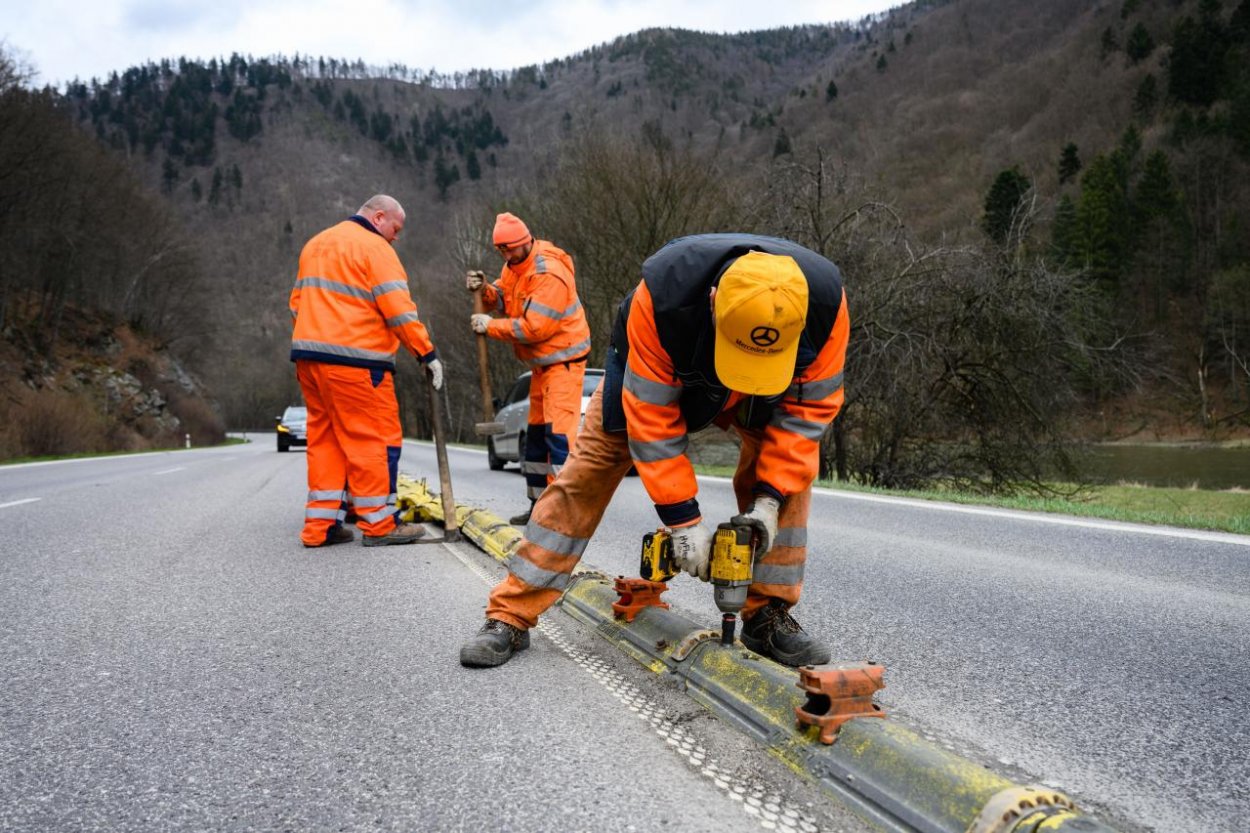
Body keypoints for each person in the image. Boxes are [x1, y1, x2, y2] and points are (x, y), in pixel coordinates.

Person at [460, 233, 849, 668]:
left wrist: (769, 502)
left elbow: (805, 416)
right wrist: (684, 523)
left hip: (765, 390)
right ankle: (510, 613)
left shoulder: (825, 309)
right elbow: (652, 425)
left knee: (790, 477)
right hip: (657, 377)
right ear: (714, 299)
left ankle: (768, 615)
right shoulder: (662, 299)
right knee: (585, 475)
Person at [289, 194, 444, 548]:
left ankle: (321, 527)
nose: (396, 236)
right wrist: (426, 353)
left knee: (325, 440)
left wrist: (320, 338)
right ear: (378, 217)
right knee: (368, 439)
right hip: (356, 364)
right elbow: (399, 310)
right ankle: (379, 525)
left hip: (309, 360)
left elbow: (296, 305)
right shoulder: (375, 249)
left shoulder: (316, 244)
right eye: (395, 228)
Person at [466, 212, 591, 525]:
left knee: (559, 439)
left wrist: (490, 326)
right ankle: (538, 507)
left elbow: (536, 328)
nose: (506, 256)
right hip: (541, 366)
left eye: (510, 249)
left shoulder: (549, 272)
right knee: (535, 437)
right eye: (501, 251)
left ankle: (562, 513)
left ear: (525, 242)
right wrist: (485, 292)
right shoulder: (513, 268)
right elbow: (504, 298)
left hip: (563, 364)